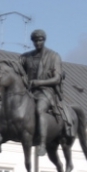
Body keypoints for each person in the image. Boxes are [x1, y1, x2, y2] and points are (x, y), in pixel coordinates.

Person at [19, 29, 70, 157]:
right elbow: (17, 71)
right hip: (28, 92)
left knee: (39, 110)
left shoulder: (54, 56)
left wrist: (39, 83)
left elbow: (57, 78)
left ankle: (42, 144)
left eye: (40, 40)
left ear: (44, 40)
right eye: (35, 41)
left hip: (46, 92)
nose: (37, 43)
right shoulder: (25, 57)